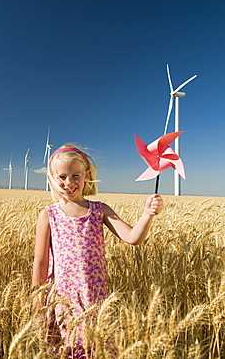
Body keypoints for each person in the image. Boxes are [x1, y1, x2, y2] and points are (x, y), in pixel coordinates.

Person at [32, 143, 163, 353]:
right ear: (52, 179)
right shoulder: (49, 214)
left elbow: (132, 237)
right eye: (62, 177)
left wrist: (148, 214)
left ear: (87, 175)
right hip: (62, 300)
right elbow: (40, 260)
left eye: (76, 175)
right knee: (66, 349)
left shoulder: (99, 210)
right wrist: (39, 302)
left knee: (96, 348)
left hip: (94, 298)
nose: (69, 182)